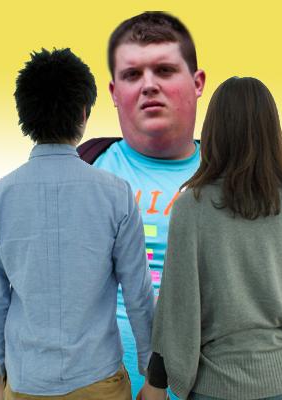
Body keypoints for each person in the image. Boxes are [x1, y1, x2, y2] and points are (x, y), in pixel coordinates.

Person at [141, 77, 282, 400]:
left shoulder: (190, 209)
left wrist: (156, 384)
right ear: (272, 133)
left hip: (212, 387)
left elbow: (176, 308)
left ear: (213, 133)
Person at [0, 48, 154, 400]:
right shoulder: (117, 195)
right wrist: (151, 372)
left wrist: (3, 373)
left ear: (25, 114)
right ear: (83, 113)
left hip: (26, 382)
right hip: (99, 380)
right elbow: (139, 296)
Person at [86, 12, 205, 399]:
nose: (149, 85)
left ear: (198, 82)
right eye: (132, 74)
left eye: (165, 70)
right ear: (113, 91)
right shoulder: (79, 170)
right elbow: (11, 291)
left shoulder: (240, 178)